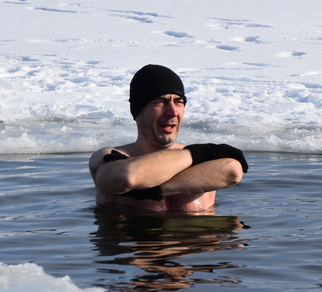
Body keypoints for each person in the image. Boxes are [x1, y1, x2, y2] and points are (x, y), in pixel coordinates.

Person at [89, 64, 247, 212]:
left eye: (179, 102)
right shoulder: (107, 157)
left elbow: (232, 171)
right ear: (138, 110)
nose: (172, 111)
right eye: (160, 102)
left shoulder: (206, 159)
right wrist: (200, 153)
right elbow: (126, 177)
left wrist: (151, 191)